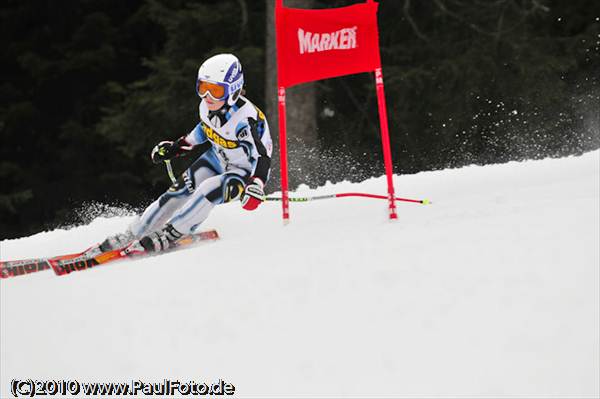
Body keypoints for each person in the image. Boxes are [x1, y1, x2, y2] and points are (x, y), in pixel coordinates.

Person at [101, 53, 272, 253]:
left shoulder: (245, 120)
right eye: (203, 88)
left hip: (245, 172)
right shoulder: (206, 107)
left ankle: (172, 233)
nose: (207, 97)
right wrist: (175, 148)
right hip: (218, 158)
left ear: (232, 91)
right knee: (179, 189)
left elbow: (262, 156)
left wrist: (257, 184)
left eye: (215, 91)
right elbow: (202, 131)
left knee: (208, 188)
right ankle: (136, 232)